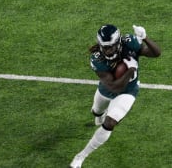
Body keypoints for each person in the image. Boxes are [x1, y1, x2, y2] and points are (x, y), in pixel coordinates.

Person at [69, 24, 161, 168]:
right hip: (107, 90)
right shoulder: (97, 58)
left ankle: (81, 156)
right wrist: (130, 70)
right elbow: (113, 86)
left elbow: (156, 53)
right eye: (104, 47)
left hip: (128, 92)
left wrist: (145, 38)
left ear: (118, 42)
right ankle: (98, 116)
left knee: (110, 123)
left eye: (110, 46)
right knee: (96, 111)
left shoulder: (129, 43)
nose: (107, 50)